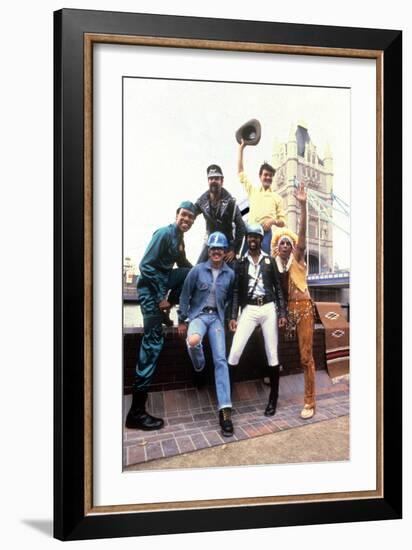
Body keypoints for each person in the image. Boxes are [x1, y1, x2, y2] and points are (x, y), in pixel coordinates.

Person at [125, 201, 196, 431]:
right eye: (183, 215)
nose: (186, 220)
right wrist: (159, 299)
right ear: (176, 215)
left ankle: (164, 311)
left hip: (160, 288)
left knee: (191, 273)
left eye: (190, 218)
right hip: (148, 292)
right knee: (152, 343)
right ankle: (136, 413)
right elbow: (145, 265)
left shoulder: (179, 240)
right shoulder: (164, 234)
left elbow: (184, 267)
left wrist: (204, 270)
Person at [178, 232, 235, 437]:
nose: (216, 251)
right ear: (209, 251)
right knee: (193, 342)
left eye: (220, 248)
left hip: (217, 319)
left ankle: (225, 411)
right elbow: (185, 295)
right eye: (213, 248)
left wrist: (230, 317)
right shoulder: (197, 271)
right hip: (198, 317)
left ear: (225, 250)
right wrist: (182, 319)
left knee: (221, 359)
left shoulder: (230, 274)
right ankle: (200, 366)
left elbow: (231, 298)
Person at [228, 224, 287, 416]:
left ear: (261, 240)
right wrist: (233, 316)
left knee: (272, 353)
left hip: (269, 308)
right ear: (247, 239)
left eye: (256, 237)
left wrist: (282, 314)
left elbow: (278, 289)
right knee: (235, 351)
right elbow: (236, 290)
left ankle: (273, 400)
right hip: (249, 309)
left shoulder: (269, 261)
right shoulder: (240, 263)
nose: (253, 240)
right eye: (250, 237)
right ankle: (227, 399)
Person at [271, 181, 316, 419]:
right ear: (277, 249)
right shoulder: (275, 268)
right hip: (286, 311)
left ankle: (310, 401)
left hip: (304, 309)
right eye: (282, 243)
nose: (287, 245)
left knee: (305, 356)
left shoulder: (297, 259)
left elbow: (303, 234)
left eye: (289, 242)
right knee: (267, 337)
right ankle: (269, 371)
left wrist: (303, 205)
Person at [237, 139, 285, 254]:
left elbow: (283, 222)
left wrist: (273, 221)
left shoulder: (277, 198)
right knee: (244, 261)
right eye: (265, 175)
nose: (268, 177)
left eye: (270, 176)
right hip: (250, 232)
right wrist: (241, 148)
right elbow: (240, 172)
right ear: (260, 176)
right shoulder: (252, 191)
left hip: (266, 235)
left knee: (264, 264)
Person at [194, 164, 245, 265]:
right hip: (210, 242)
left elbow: (241, 226)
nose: (213, 181)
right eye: (211, 178)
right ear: (208, 181)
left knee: (233, 271)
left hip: (227, 243)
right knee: (197, 268)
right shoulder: (201, 201)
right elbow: (190, 214)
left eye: (216, 178)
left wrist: (234, 250)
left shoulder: (230, 202)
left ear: (222, 181)